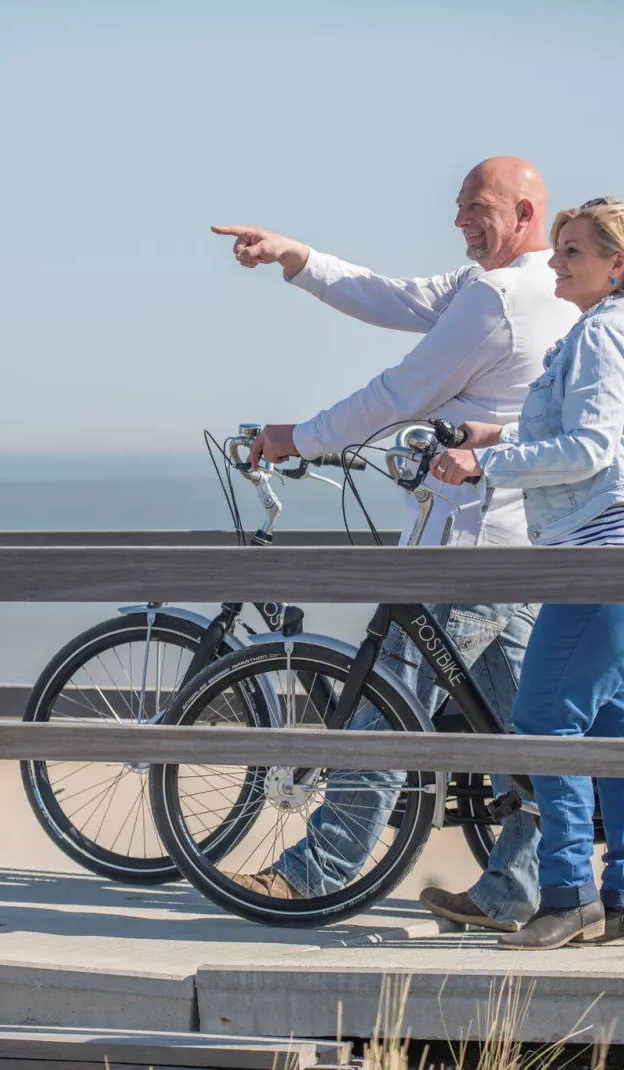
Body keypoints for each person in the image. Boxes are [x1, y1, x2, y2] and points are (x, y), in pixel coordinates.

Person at [210, 157, 577, 930]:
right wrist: (297, 257)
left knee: (388, 706)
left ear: (525, 210)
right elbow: (398, 296)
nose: (459, 220)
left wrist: (296, 438)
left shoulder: (500, 298)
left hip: (473, 550)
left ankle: (318, 874)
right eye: (458, 206)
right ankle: (520, 891)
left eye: (476, 207)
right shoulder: (534, 288)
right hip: (518, 544)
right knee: (527, 733)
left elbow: (398, 393)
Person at [433, 196, 624, 949]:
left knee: (543, 723)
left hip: (607, 560)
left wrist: (481, 463)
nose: (554, 263)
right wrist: (498, 431)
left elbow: (586, 451)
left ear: (616, 263)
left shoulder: (603, 335)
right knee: (620, 732)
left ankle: (567, 896)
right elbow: (595, 431)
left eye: (573, 253)